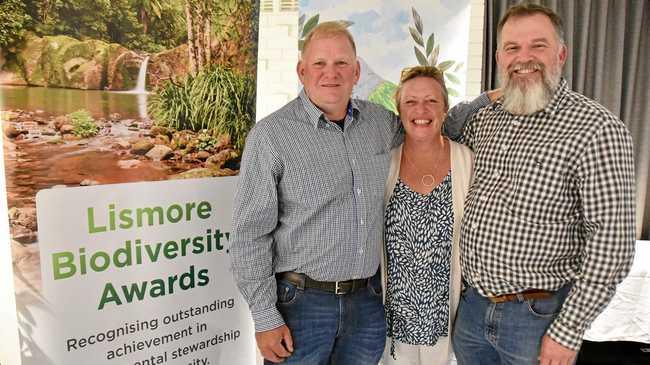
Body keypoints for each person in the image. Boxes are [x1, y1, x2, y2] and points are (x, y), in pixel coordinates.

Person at [230, 21, 489, 364]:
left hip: (367, 306)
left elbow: (427, 122)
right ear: (301, 70)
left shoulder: (379, 123)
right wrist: (264, 317)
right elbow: (249, 235)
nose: (331, 74)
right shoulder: (271, 136)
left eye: (341, 64)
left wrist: (487, 98)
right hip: (301, 305)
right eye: (320, 64)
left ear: (356, 71)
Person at [448, 4, 636, 365]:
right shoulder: (485, 121)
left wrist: (568, 332)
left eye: (538, 46)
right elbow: (442, 133)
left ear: (561, 54)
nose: (524, 58)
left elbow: (610, 247)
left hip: (536, 318)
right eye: (512, 48)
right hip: (471, 313)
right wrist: (483, 98)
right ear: (499, 57)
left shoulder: (596, 129)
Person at [380, 66, 474, 365]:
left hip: (448, 319)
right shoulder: (385, 163)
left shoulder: (466, 161)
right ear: (399, 110)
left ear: (445, 109)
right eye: (411, 102)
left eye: (431, 101)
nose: (421, 110)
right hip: (393, 322)